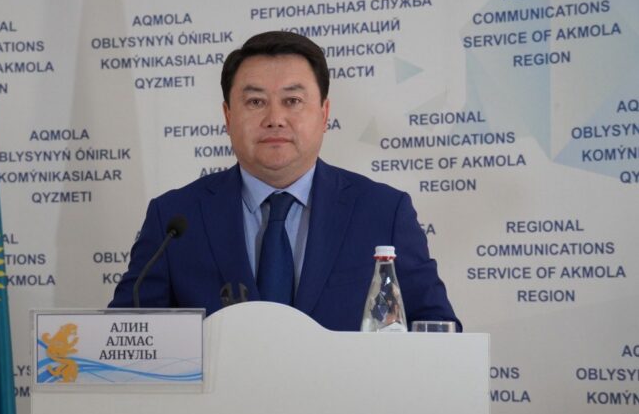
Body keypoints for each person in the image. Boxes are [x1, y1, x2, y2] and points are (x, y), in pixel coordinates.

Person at [109, 31, 461, 331]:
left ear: (324, 114)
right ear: (228, 117)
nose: (275, 118)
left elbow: (437, 331)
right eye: (255, 102)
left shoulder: (383, 213)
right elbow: (127, 339)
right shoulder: (175, 219)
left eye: (292, 101)